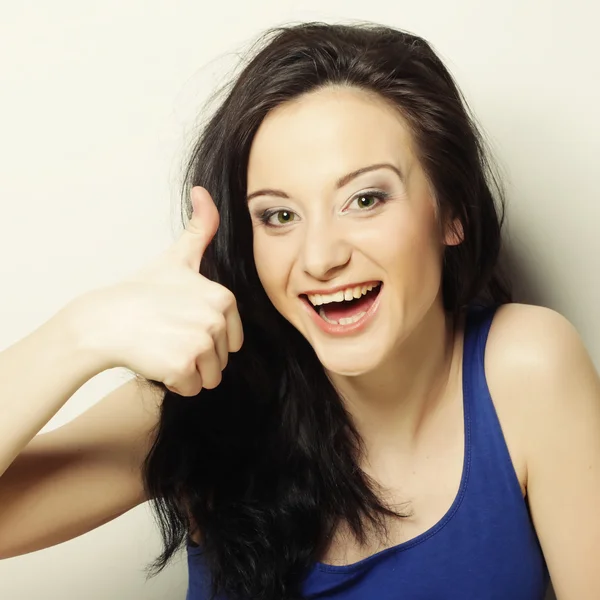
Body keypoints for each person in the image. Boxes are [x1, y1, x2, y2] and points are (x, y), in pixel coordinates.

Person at [0, 20, 598, 600]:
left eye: (364, 199)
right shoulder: (210, 392)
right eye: (279, 215)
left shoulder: (525, 369)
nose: (319, 258)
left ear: (451, 212)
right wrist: (82, 334)